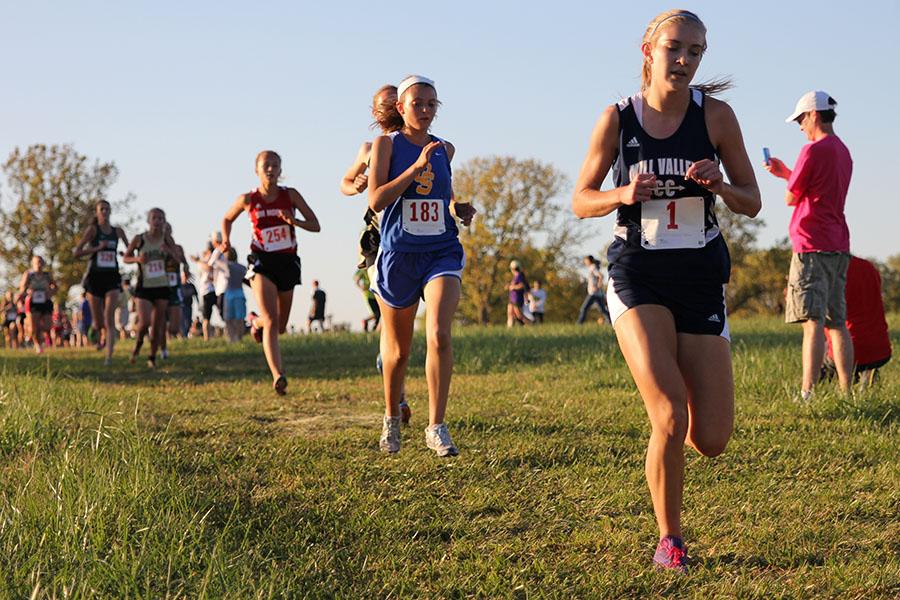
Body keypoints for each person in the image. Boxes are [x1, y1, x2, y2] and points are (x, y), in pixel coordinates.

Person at [572, 10, 761, 571]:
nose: (683, 60)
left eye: (695, 52)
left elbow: (752, 199)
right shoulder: (617, 119)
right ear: (648, 50)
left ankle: (674, 483)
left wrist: (720, 185)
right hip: (638, 272)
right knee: (670, 416)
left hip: (700, 276)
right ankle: (670, 540)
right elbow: (581, 198)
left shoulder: (717, 117)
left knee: (713, 438)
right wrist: (623, 192)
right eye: (674, 48)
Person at [368, 74, 476, 456]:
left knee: (439, 334)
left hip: (441, 251)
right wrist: (413, 170)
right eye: (419, 104)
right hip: (399, 254)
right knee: (397, 352)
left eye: (433, 105)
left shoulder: (444, 149)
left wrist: (458, 209)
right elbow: (376, 200)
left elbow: (441, 198)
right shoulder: (385, 145)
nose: (427, 111)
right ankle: (391, 419)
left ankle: (437, 426)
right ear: (401, 107)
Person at [764, 91, 853, 400]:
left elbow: (792, 197)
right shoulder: (843, 151)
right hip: (839, 243)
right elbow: (815, 188)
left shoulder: (811, 151)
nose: (801, 126)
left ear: (814, 115)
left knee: (811, 321)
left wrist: (787, 177)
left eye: (801, 119)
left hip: (811, 242)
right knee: (837, 322)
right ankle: (846, 391)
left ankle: (807, 392)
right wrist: (786, 173)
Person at [222, 150, 320, 394]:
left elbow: (316, 225)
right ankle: (278, 375)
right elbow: (227, 218)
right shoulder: (248, 199)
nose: (271, 169)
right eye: (266, 165)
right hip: (261, 261)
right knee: (272, 320)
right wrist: (226, 240)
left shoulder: (291, 195)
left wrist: (293, 222)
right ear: (256, 170)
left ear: (280, 170)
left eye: (275, 165)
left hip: (287, 262)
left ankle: (254, 322)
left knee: (280, 326)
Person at [341, 83, 411, 422]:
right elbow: (345, 181)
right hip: (378, 240)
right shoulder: (369, 147)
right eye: (382, 106)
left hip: (415, 240)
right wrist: (354, 184)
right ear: (374, 113)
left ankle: (391, 371)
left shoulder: (418, 145)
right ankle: (397, 395)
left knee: (400, 322)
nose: (389, 111)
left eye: (393, 104)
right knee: (389, 316)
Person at [73, 200, 129, 364]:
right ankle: (95, 330)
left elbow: (129, 250)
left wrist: (125, 254)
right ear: (97, 212)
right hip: (95, 277)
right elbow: (77, 252)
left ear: (110, 211)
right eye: (101, 209)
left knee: (109, 316)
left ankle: (109, 356)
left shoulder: (117, 231)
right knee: (98, 322)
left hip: (112, 277)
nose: (105, 212)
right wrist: (97, 249)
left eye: (107, 209)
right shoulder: (93, 230)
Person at [822, 256, 891, 386]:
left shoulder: (828, 271)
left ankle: (820, 391)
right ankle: (867, 374)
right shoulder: (869, 267)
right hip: (881, 349)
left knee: (818, 348)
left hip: (849, 349)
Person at [123, 208, 176, 367]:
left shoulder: (167, 240)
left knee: (158, 325)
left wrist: (170, 252)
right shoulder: (140, 239)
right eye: (155, 218)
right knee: (144, 322)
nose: (158, 221)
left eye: (161, 218)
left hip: (161, 286)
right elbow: (126, 258)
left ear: (164, 221)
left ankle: (151, 357)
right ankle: (137, 346)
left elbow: (178, 260)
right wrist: (138, 259)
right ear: (149, 221)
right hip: (144, 287)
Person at [160, 222, 191, 359]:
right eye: (164, 230)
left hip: (175, 285)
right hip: (159, 286)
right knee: (161, 317)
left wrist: (186, 270)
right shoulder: (157, 247)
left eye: (168, 229)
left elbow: (184, 262)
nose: (166, 232)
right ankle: (163, 347)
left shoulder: (177, 248)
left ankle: (171, 333)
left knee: (174, 325)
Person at [17, 256, 57, 354]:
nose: (38, 264)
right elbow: (22, 289)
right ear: (33, 264)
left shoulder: (47, 275)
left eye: (40, 262)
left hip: (45, 301)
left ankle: (37, 331)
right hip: (32, 302)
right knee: (33, 327)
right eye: (36, 262)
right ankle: (37, 345)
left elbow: (55, 287)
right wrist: (24, 294)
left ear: (43, 263)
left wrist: (50, 292)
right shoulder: (29, 275)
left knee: (48, 326)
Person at [222, 247, 248, 342]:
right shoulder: (242, 267)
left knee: (228, 319)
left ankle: (232, 338)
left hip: (229, 294)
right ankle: (239, 338)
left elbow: (215, 263)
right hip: (240, 293)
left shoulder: (226, 265)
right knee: (240, 318)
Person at [577, 255, 611, 324]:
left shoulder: (593, 267)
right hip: (597, 293)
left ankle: (579, 323)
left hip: (593, 293)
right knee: (602, 309)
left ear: (589, 261)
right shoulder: (592, 267)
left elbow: (601, 275)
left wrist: (598, 286)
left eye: (585, 261)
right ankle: (610, 322)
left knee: (584, 308)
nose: (584, 262)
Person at [355, 267, 381, 332]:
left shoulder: (374, 268)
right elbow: (356, 279)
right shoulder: (362, 270)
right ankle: (365, 321)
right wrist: (361, 287)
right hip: (369, 296)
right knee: (376, 314)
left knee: (379, 314)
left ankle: (374, 330)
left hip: (376, 295)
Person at [506, 260, 528, 327]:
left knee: (518, 314)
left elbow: (522, 285)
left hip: (517, 298)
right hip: (512, 298)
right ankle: (509, 329)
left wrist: (513, 287)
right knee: (510, 313)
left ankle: (528, 324)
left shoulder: (519, 275)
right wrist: (509, 286)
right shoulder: (515, 276)